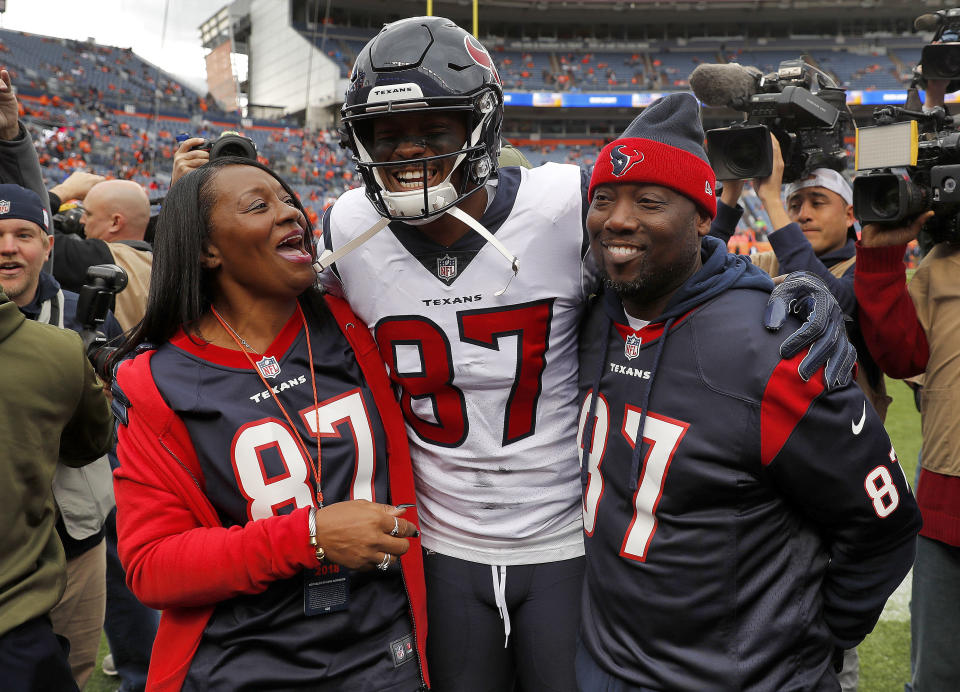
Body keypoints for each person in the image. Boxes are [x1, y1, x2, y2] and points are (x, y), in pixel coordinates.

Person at [321, 16, 858, 692]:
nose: (409, 155)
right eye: (387, 136)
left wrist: (773, 287)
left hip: (565, 537)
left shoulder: (563, 203)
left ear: (479, 127)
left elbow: (675, 270)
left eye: (435, 131)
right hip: (441, 541)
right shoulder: (346, 226)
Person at [574, 92, 920, 691]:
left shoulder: (773, 348)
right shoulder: (585, 319)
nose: (619, 218)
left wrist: (813, 639)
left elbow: (883, 525)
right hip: (606, 668)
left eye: (649, 201)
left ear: (704, 215)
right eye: (605, 199)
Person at [109, 157, 428, 691]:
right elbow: (151, 565)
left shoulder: (357, 323)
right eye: (260, 206)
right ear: (208, 249)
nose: (290, 214)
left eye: (288, 199)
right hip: (245, 665)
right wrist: (309, 537)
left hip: (386, 652)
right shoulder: (158, 381)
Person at [0, 182, 122, 688]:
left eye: (23, 234)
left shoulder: (84, 317)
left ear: (48, 244)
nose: (8, 247)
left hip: (76, 533)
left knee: (68, 669)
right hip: (11, 546)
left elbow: (108, 430)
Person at [854, 207, 959, 692]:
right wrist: (880, 257)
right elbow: (900, 355)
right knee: (937, 674)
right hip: (947, 500)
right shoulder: (942, 267)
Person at [713, 142, 890, 427]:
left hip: (841, 435)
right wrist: (730, 196)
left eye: (817, 202)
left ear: (849, 215)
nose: (803, 214)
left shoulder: (865, 270)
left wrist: (772, 200)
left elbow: (832, 300)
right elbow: (703, 271)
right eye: (794, 205)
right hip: (768, 429)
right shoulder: (769, 261)